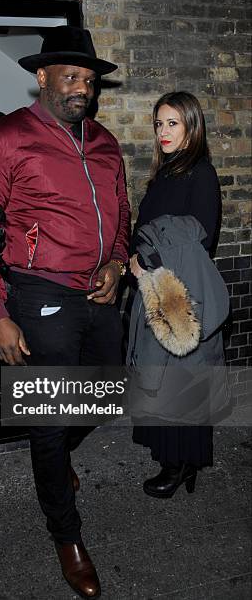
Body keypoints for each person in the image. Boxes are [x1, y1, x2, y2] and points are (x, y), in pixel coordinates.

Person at [0, 26, 130, 599]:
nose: (82, 86)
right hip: (38, 295)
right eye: (71, 76)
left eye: (88, 78)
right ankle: (67, 534)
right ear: (42, 77)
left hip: (100, 294)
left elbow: (121, 217)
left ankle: (55, 459)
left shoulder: (105, 143)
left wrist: (116, 263)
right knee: (49, 419)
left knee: (106, 394)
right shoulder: (5, 137)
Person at [127, 91, 229, 499]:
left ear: (191, 126)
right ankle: (170, 456)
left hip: (178, 292)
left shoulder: (199, 172)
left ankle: (181, 462)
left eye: (172, 123)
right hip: (155, 288)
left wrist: (147, 256)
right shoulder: (166, 170)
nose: (163, 132)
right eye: (158, 124)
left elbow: (201, 231)